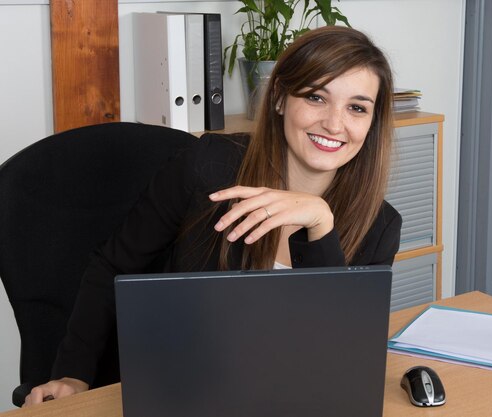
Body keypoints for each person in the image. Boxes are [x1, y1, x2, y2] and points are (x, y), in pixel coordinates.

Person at [24, 25, 401, 405]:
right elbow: (112, 265)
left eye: (357, 107)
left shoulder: (381, 226)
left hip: (284, 398)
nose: (335, 124)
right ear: (281, 99)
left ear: (372, 123)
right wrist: (72, 375)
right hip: (184, 390)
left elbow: (336, 358)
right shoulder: (207, 167)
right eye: (316, 97)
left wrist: (321, 225)